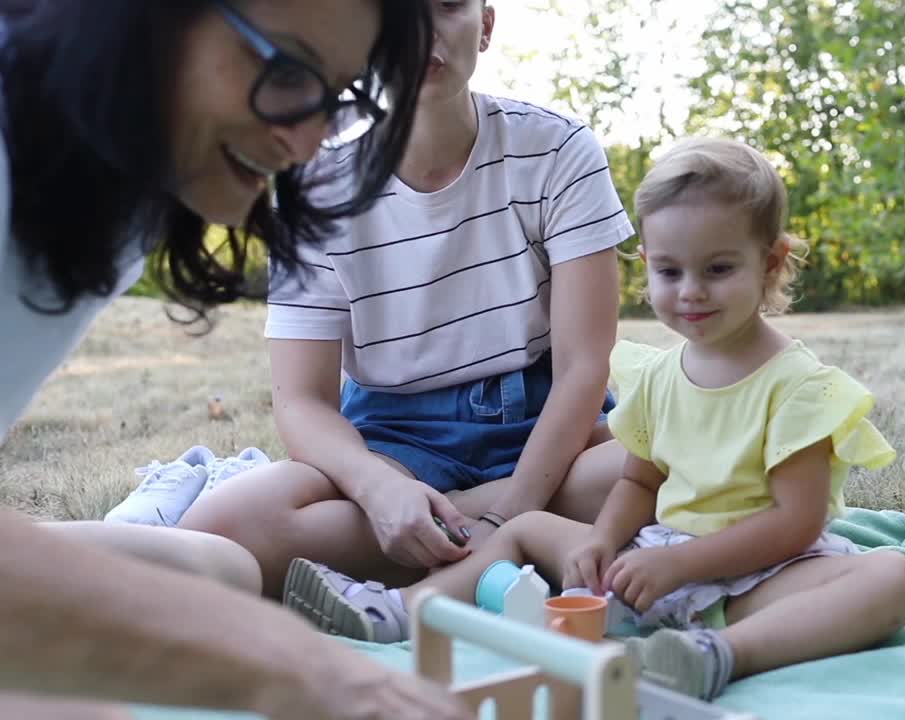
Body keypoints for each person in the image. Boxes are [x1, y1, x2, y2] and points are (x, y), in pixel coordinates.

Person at [280, 137, 905, 698]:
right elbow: (640, 483)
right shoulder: (663, 376)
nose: (690, 292)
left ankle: (718, 655)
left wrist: (683, 567)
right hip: (656, 560)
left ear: (772, 263)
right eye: (669, 272)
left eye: (718, 269)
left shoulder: (798, 387)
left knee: (890, 579)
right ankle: (396, 611)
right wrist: (603, 541)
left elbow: (796, 522)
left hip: (760, 577)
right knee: (522, 527)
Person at [0, 1, 469, 718]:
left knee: (216, 567)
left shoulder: (130, 190)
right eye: (286, 70)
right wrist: (300, 670)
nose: (308, 142)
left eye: (337, 96)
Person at [179, 0, 633, 598]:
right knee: (222, 526)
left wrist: (503, 518)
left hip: (546, 425)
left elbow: (583, 367)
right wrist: (378, 490)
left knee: (672, 472)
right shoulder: (316, 182)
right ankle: (498, 539)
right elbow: (301, 401)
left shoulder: (558, 150)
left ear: (486, 26)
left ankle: (474, 534)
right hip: (394, 437)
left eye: (447, 6)